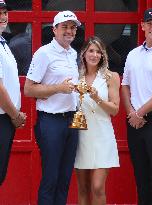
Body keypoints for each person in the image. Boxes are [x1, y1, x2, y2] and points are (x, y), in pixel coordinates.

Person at [24, 10, 81, 205]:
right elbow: (29, 89)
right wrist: (59, 88)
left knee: (65, 178)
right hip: (51, 121)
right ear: (54, 30)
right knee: (51, 178)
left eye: (73, 27)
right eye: (64, 26)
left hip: (72, 120)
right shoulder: (44, 53)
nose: (69, 31)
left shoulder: (73, 53)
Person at [122, 7, 152, 205]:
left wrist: (140, 112)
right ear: (143, 26)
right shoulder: (133, 54)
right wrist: (131, 113)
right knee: (142, 177)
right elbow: (125, 85)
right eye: (151, 23)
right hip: (135, 121)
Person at [74, 36, 120, 205]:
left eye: (98, 52)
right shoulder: (75, 76)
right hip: (81, 136)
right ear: (84, 53)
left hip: (102, 135)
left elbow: (115, 109)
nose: (94, 55)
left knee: (98, 186)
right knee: (83, 187)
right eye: (91, 51)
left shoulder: (111, 77)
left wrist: (97, 98)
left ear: (103, 55)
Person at [0, 0, 26, 185]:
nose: (3, 17)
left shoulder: (4, 44)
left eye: (4, 13)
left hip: (5, 118)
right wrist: (15, 115)